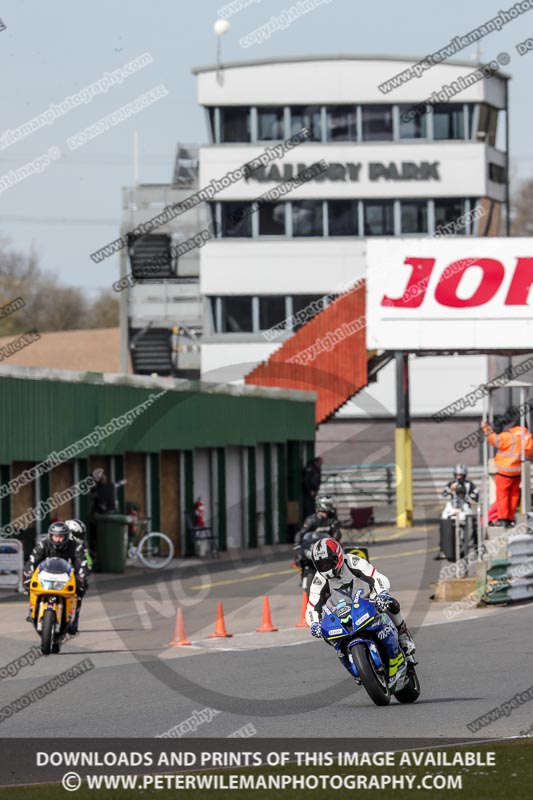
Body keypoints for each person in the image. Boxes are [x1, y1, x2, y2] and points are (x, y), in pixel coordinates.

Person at [306, 537, 416, 656]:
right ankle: (345, 653)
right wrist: (314, 624)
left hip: (367, 598)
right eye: (321, 565)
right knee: (325, 631)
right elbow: (312, 606)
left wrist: (382, 593)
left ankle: (403, 635)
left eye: (328, 562)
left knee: (390, 604)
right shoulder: (319, 579)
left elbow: (376, 577)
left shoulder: (353, 561)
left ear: (337, 556)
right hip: (341, 610)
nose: (325, 567)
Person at [23, 521, 90, 634]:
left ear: (66, 536)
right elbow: (32, 561)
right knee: (30, 585)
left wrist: (82, 577)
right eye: (55, 536)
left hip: (68, 577)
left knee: (80, 592)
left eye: (61, 537)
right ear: (50, 536)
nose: (58, 539)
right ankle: (32, 609)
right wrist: (28, 574)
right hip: (46, 576)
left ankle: (74, 619)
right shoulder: (43, 545)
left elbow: (82, 563)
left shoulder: (76, 547)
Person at [482, 416, 533, 527]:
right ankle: (510, 519)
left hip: (504, 472)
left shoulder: (508, 436)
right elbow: (529, 453)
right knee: (514, 496)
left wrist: (486, 428)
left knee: (502, 496)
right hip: (517, 473)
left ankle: (503, 519)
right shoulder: (528, 438)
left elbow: (493, 439)